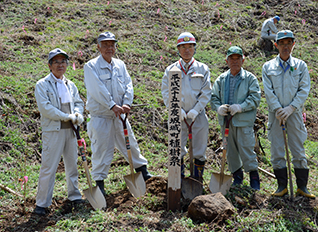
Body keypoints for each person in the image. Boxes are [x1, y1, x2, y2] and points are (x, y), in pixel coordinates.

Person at [84, 31, 152, 195]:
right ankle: (99, 182)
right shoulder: (91, 66)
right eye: (105, 45)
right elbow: (97, 89)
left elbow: (128, 84)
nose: (109, 48)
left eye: (112, 44)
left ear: (115, 47)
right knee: (101, 149)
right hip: (101, 116)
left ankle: (142, 171)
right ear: (99, 47)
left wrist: (127, 102)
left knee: (131, 143)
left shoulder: (120, 65)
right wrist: (112, 105)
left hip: (120, 114)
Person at [262, 30, 315, 198]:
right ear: (276, 45)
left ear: (293, 44)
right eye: (282, 44)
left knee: (298, 149)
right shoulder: (268, 67)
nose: (285, 47)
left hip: (294, 114)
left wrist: (291, 108)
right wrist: (278, 109)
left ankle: (302, 187)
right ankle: (282, 187)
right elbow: (268, 91)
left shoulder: (301, 66)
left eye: (288, 43)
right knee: (277, 150)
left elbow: (304, 89)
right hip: (275, 115)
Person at [34, 48, 85, 216]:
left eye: (63, 61)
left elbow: (78, 102)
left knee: (72, 165)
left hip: (71, 130)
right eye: (56, 62)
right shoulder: (42, 85)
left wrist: (78, 115)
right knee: (49, 167)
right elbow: (46, 108)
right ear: (49, 65)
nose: (60, 65)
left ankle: (75, 196)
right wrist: (67, 116)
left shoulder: (70, 85)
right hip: (54, 131)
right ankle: (42, 203)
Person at [161, 32, 211, 181]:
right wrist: (176, 109)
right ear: (178, 49)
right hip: (178, 115)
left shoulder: (202, 69)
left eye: (190, 47)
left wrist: (196, 110)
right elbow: (166, 92)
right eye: (183, 47)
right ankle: (178, 180)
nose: (187, 50)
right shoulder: (170, 69)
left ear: (194, 48)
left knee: (199, 148)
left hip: (198, 115)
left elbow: (206, 92)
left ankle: (197, 180)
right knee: (177, 148)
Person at [211, 46, 261, 190]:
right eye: (231, 58)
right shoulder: (221, 79)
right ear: (226, 60)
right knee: (230, 151)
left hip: (243, 121)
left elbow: (255, 97)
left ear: (242, 60)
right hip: (226, 122)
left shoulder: (249, 78)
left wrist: (240, 107)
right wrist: (218, 108)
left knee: (246, 149)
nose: (235, 61)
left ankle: (254, 179)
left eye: (237, 58)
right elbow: (214, 98)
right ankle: (237, 177)